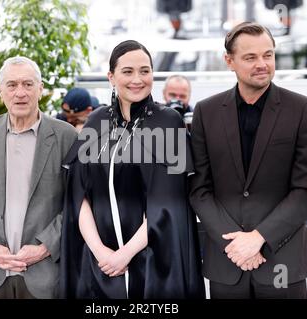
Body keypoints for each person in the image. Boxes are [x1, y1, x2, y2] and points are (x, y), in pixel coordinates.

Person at [60, 40, 205, 299]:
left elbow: (168, 203)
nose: (137, 79)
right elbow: (77, 193)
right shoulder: (97, 121)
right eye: (127, 71)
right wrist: (101, 252)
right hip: (99, 262)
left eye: (145, 71)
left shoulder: (167, 122)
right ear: (111, 77)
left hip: (153, 262)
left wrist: (124, 255)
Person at [189, 22, 307, 299]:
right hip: (227, 262)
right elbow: (200, 189)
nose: (262, 64)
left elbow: (306, 190)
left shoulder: (302, 109)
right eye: (250, 57)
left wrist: (258, 238)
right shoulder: (206, 112)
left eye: (268, 55)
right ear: (229, 61)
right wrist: (236, 244)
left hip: (282, 259)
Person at [0, 56, 77, 299]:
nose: (20, 93)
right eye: (12, 85)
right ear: (0, 91)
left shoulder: (66, 136)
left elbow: (76, 204)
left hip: (46, 275)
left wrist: (44, 248)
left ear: (41, 89)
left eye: (28, 84)